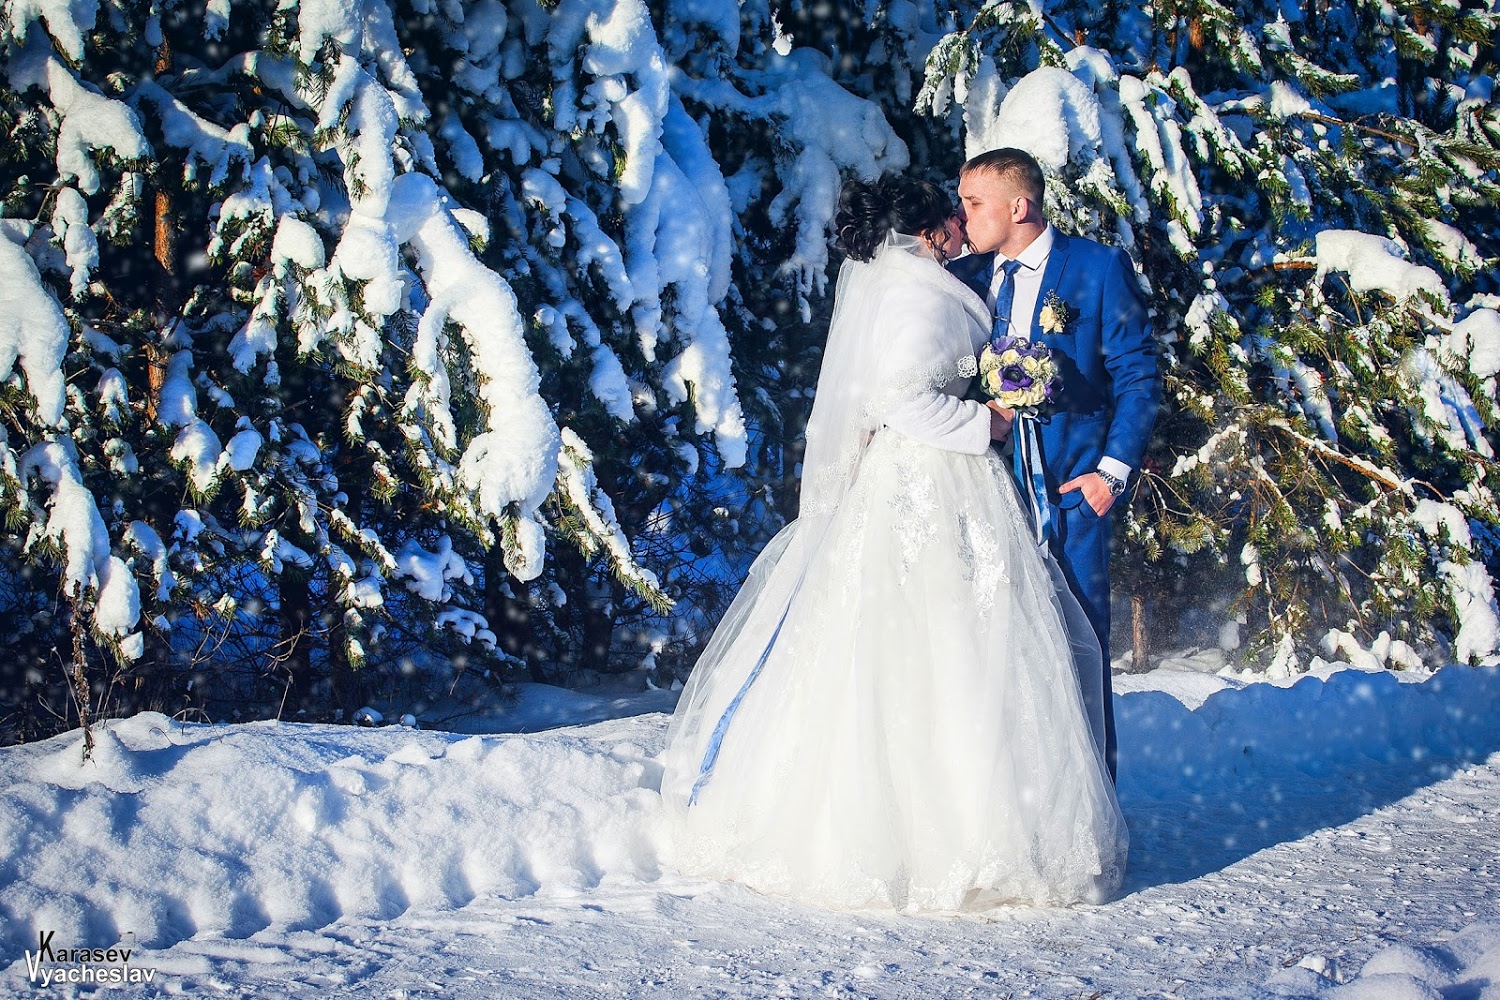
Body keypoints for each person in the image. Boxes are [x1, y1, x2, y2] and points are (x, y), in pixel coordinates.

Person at [655, 177, 1128, 912]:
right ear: (931, 229)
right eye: (956, 211)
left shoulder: (917, 282)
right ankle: (944, 834)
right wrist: (988, 424)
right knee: (943, 643)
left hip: (933, 481)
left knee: (933, 643)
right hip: (931, 483)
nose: (963, 224)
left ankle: (949, 824)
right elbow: (898, 398)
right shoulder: (915, 294)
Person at [950, 148, 1162, 781]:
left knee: (1080, 643)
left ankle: (1093, 804)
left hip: (1073, 488)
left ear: (1020, 206)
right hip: (989, 486)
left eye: (974, 203)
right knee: (994, 645)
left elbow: (1138, 375)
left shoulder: (1097, 269)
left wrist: (1112, 473)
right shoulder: (967, 277)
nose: (963, 218)